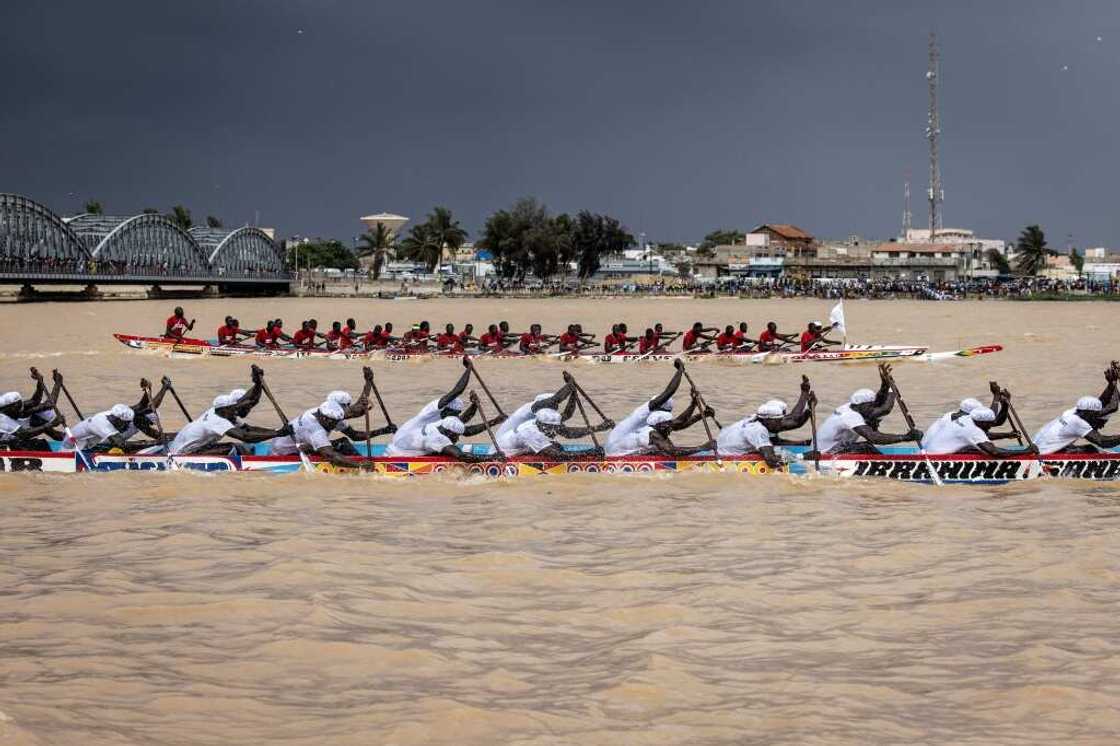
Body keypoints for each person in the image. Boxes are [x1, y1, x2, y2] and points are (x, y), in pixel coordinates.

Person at [386, 359, 505, 455]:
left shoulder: (445, 419)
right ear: (447, 410)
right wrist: (469, 369)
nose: (458, 416)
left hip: (421, 442)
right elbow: (457, 391)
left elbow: (463, 427)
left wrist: (475, 406)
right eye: (456, 413)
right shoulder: (432, 410)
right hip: (404, 442)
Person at [166, 368, 280, 455]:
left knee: (242, 447)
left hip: (186, 446)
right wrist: (278, 434)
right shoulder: (218, 421)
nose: (246, 409)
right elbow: (246, 436)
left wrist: (258, 383)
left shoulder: (222, 411)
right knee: (234, 448)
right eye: (242, 407)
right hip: (182, 454)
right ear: (231, 407)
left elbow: (248, 427)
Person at [816, 366, 921, 454]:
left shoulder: (851, 406)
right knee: (866, 447)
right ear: (862, 405)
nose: (873, 408)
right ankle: (885, 468)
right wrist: (904, 438)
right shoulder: (850, 417)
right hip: (823, 453)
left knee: (868, 439)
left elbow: (879, 402)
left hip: (830, 447)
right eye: (870, 405)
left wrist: (886, 384)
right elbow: (874, 437)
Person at [717, 376, 817, 468]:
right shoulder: (758, 430)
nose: (781, 424)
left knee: (777, 450)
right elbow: (772, 462)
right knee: (775, 453)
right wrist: (803, 456)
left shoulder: (759, 419)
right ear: (768, 420)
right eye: (778, 421)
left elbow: (793, 419)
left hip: (724, 449)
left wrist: (807, 402)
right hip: (725, 459)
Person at [267, 399, 390, 469]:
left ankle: (357, 463)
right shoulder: (316, 431)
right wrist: (360, 465)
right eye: (334, 422)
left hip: (302, 444)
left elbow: (354, 435)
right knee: (337, 451)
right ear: (325, 419)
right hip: (282, 455)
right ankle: (362, 466)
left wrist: (383, 430)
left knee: (343, 443)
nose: (336, 424)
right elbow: (331, 457)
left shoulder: (327, 413)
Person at [605, 360, 687, 453]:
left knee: (663, 445)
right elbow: (669, 392)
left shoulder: (654, 420)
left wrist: (694, 405)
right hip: (616, 445)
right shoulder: (644, 411)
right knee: (664, 448)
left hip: (623, 443)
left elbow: (678, 425)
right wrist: (680, 371)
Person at [605, 396, 715, 457]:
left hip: (630, 450)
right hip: (617, 456)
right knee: (667, 451)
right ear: (661, 425)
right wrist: (702, 448)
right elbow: (674, 452)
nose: (670, 428)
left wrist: (702, 414)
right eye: (668, 425)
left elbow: (679, 424)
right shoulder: (653, 434)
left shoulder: (659, 425)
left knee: (663, 450)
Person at [496, 406, 611, 458]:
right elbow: (559, 456)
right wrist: (589, 453)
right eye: (555, 429)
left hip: (518, 446)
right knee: (555, 451)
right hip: (503, 455)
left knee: (557, 446)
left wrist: (599, 428)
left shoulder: (540, 423)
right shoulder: (532, 433)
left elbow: (569, 433)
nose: (558, 431)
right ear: (545, 426)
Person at [920, 405, 1030, 457]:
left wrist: (1004, 404)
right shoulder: (972, 431)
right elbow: (994, 452)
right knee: (989, 452)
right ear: (982, 423)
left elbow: (985, 436)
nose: (990, 427)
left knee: (976, 448)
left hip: (929, 451)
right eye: (989, 425)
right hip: (935, 458)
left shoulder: (966, 419)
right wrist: (1025, 452)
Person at [1032, 396, 1120, 454]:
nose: (1096, 417)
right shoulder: (1078, 422)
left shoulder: (1072, 412)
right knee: (1091, 449)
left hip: (1036, 446)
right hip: (1042, 454)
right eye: (1095, 415)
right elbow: (1103, 442)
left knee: (1080, 447)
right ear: (1089, 413)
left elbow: (1103, 401)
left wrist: (1112, 382)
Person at [385, 415, 488, 461]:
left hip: (393, 448)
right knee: (452, 453)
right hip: (396, 458)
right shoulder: (438, 439)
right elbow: (463, 457)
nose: (457, 440)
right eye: (456, 436)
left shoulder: (438, 425)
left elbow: (464, 424)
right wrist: (492, 458)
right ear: (449, 432)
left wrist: (474, 405)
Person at [0, 390, 65, 451]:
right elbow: (24, 434)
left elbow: (35, 401)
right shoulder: (2, 418)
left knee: (41, 442)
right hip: (4, 446)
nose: (21, 410)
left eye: (21, 407)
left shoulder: (13, 409)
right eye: (18, 409)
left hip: (12, 441)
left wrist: (72, 436)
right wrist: (51, 424)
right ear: (8, 408)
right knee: (39, 444)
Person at [61, 404, 138, 452]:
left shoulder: (113, 413)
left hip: (85, 443)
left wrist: (147, 389)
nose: (127, 425)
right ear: (119, 419)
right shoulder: (104, 425)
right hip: (72, 448)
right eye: (126, 423)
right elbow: (122, 444)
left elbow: (138, 407)